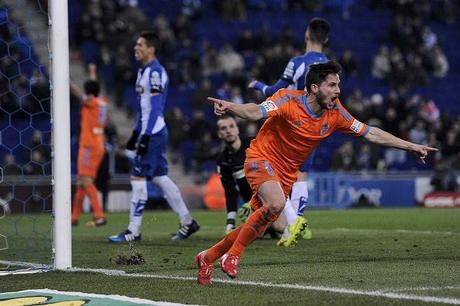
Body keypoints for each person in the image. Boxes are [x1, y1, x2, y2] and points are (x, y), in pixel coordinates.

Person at [196, 61, 437, 285]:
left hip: (287, 174)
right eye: (332, 85)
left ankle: (208, 257)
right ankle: (232, 256)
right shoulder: (287, 99)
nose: (338, 90)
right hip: (261, 159)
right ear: (314, 87)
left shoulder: (336, 114)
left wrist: (410, 146)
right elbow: (255, 111)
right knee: (276, 204)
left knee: (259, 226)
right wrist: (231, 106)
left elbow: (370, 132)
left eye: (338, 85)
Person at [108, 31, 199, 243]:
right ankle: (187, 221)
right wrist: (134, 134)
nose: (135, 48)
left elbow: (156, 108)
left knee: (137, 178)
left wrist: (146, 136)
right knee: (159, 177)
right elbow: (144, 108)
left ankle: (133, 230)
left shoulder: (155, 72)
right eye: (135, 45)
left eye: (140, 45)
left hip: (154, 132)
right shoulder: (143, 72)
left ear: (151, 48)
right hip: (150, 131)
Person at [248, 17, 331, 246]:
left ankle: (287, 225)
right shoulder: (330, 67)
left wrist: (257, 85)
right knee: (301, 175)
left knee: (277, 173)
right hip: (313, 126)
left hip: (289, 124)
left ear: (306, 35)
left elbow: (275, 90)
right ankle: (297, 223)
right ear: (326, 39)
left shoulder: (296, 62)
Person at [71, 64, 107, 227]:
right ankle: (74, 217)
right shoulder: (101, 102)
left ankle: (99, 215)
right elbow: (94, 88)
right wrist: (92, 72)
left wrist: (66, 81)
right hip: (99, 144)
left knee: (85, 181)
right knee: (81, 181)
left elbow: (80, 94)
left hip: (88, 146)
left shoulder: (90, 102)